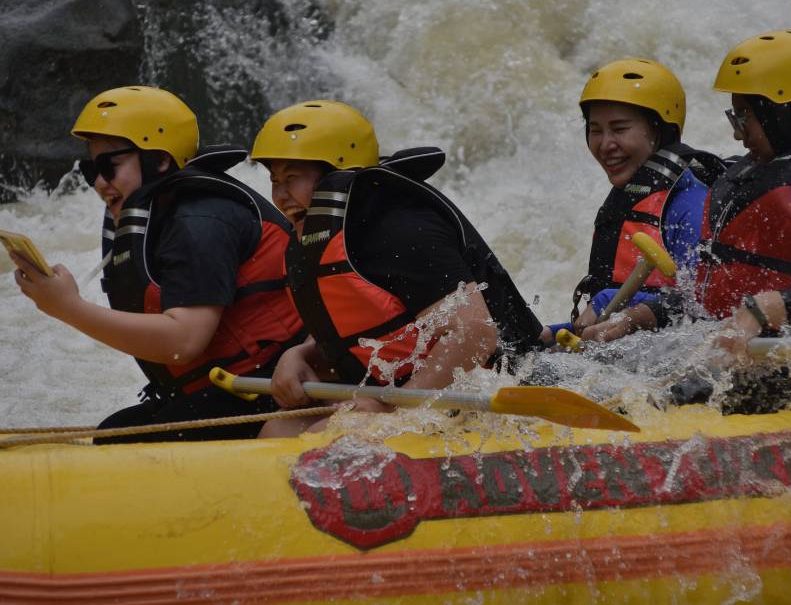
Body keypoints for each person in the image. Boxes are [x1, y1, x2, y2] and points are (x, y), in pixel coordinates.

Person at [9, 86, 305, 442]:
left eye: (109, 166)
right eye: (91, 169)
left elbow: (184, 341)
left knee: (118, 442)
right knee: (113, 433)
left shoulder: (201, 219)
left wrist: (68, 308)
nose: (99, 183)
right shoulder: (159, 216)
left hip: (277, 388)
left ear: (160, 160)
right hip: (228, 388)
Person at [584, 29, 791, 358]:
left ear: (790, 111)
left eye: (745, 116)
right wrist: (641, 317)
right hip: (758, 352)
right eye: (734, 116)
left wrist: (766, 309)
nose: (737, 133)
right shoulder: (756, 174)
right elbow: (716, 290)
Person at [250, 100, 543, 436]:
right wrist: (301, 355)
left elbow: (474, 334)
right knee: (278, 430)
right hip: (409, 397)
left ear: (338, 177)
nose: (281, 195)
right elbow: (371, 333)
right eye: (275, 180)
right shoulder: (318, 241)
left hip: (495, 391)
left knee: (326, 436)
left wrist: (394, 408)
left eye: (292, 178)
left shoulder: (401, 229)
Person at [542, 58, 725, 344]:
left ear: (657, 131)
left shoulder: (691, 205)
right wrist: (549, 334)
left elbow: (706, 300)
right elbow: (599, 322)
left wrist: (606, 300)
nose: (605, 145)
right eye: (595, 130)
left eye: (619, 128)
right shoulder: (629, 198)